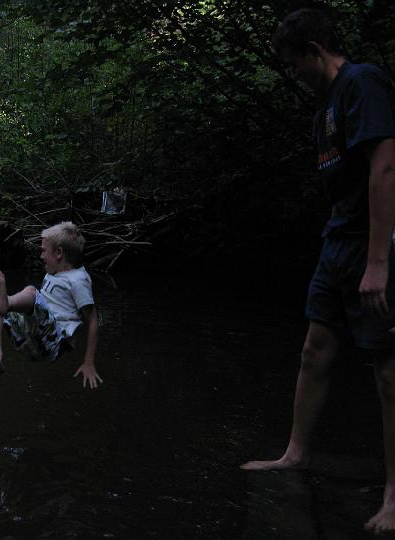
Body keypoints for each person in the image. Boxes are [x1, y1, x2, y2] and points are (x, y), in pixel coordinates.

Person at [240, 8, 395, 534]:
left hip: (372, 246)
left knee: (387, 371)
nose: (291, 73)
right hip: (337, 243)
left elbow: (385, 165)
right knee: (313, 351)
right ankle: (295, 456)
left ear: (313, 50)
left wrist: (378, 262)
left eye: (291, 63)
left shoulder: (362, 82)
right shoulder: (323, 104)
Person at [0, 221, 103, 389]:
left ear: (59, 253)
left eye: (44, 251)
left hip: (54, 342)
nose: (41, 256)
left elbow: (93, 320)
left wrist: (89, 362)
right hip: (32, 340)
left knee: (31, 291)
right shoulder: (55, 275)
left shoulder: (78, 280)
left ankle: (6, 304)